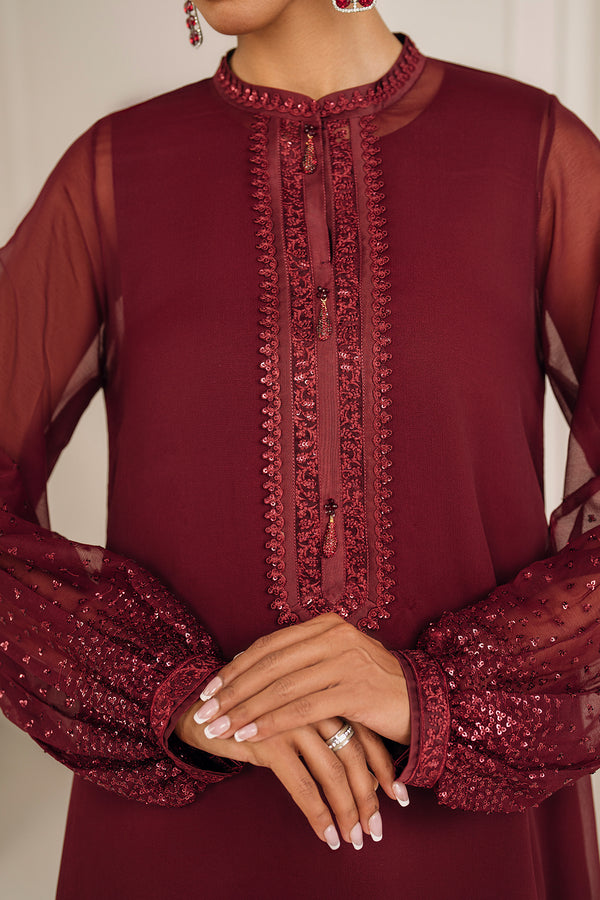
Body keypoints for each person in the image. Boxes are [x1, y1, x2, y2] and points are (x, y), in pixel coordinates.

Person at [1, 0, 600, 897]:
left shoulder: (533, 154)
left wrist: (439, 698)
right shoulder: (115, 172)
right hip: (181, 845)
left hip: (462, 842)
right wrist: (175, 696)